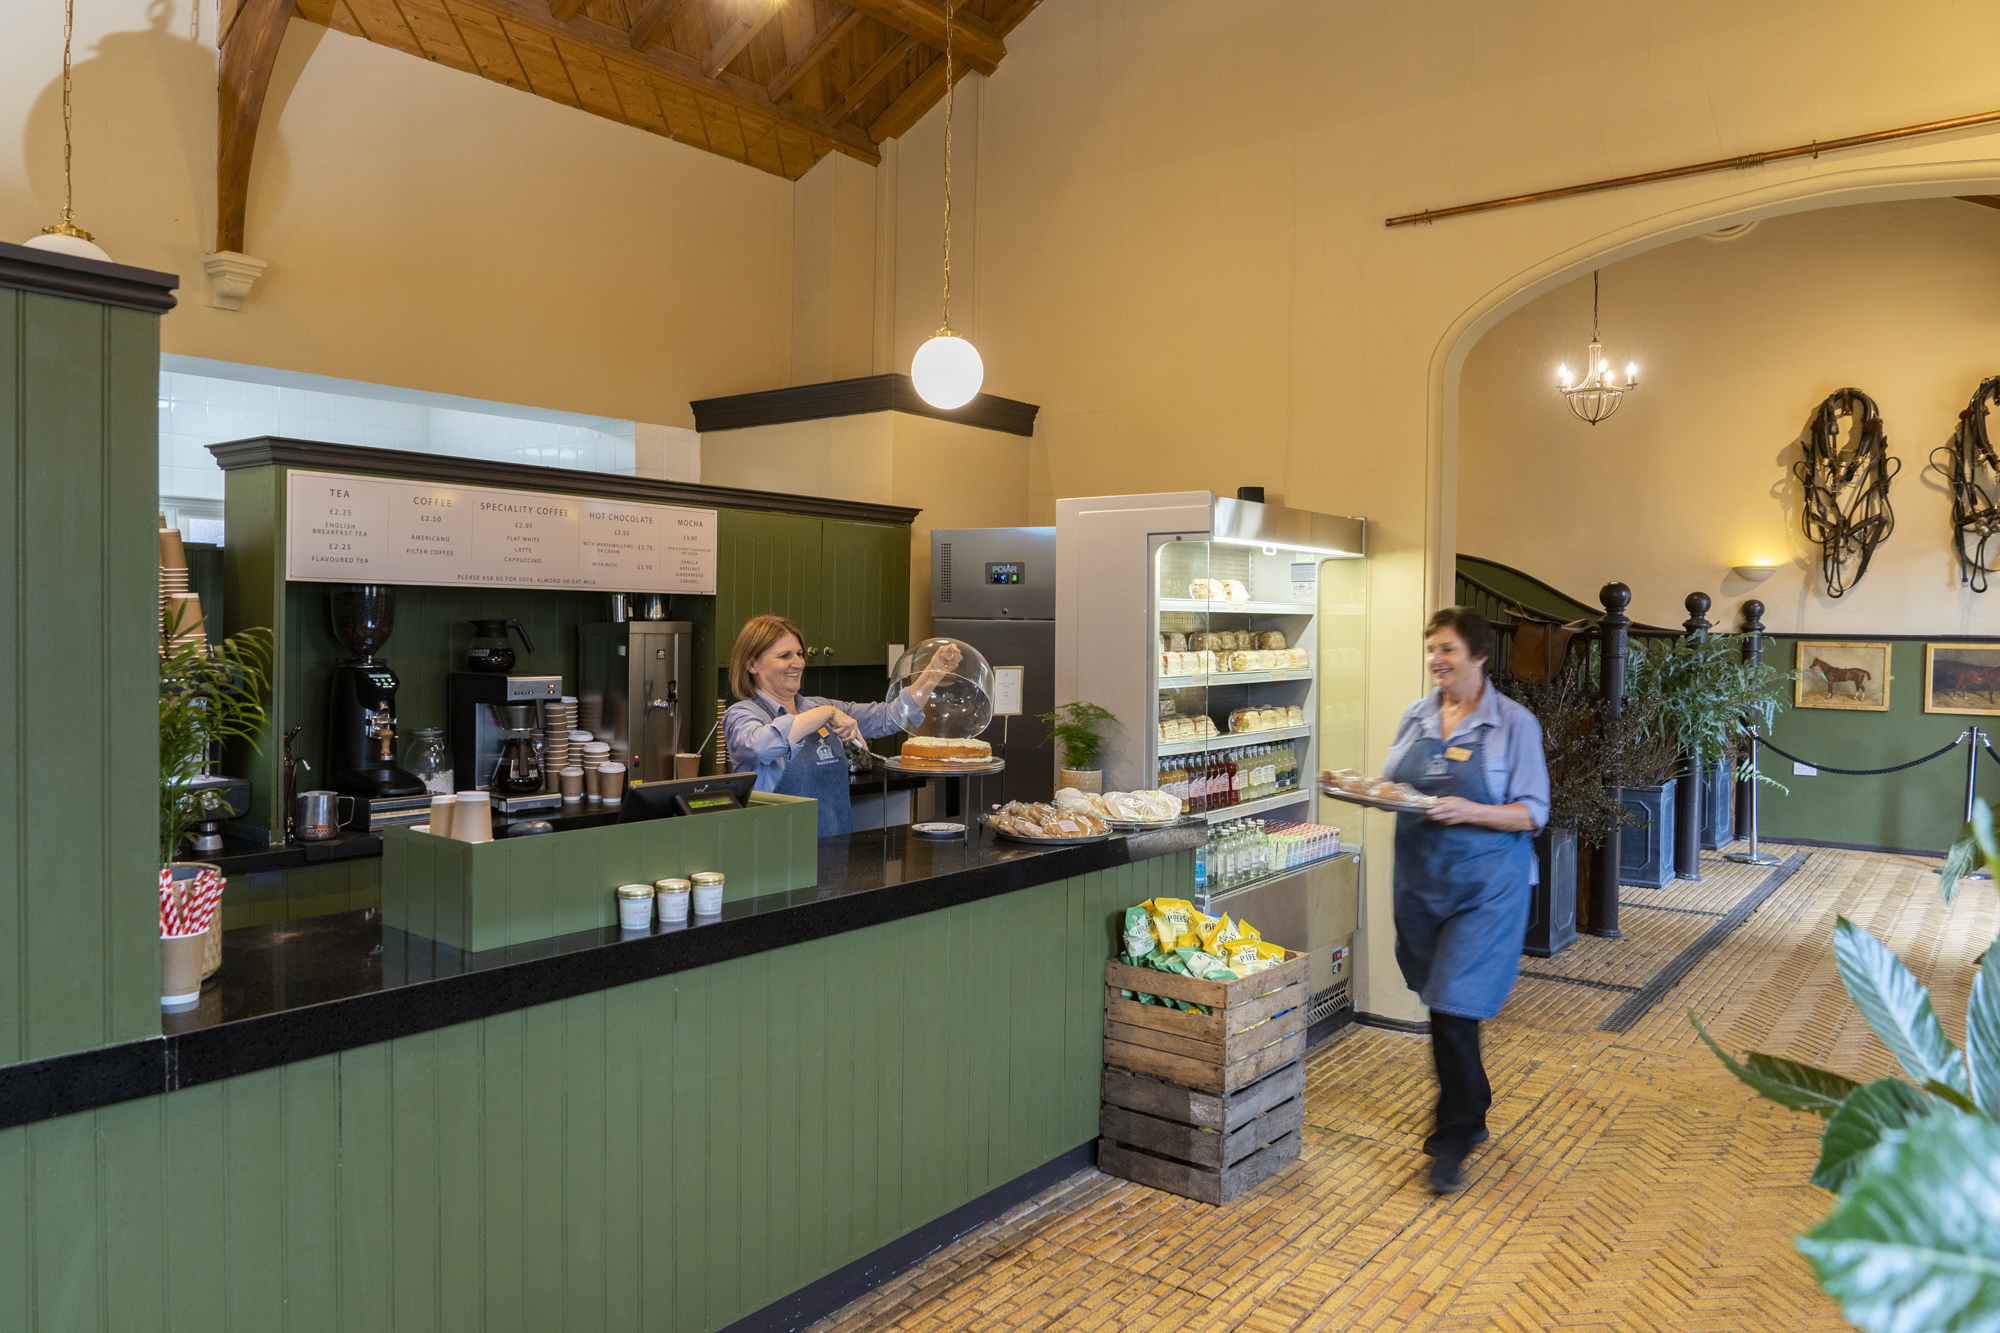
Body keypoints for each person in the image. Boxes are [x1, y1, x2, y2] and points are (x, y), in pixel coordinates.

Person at [1381, 606, 1549, 1194]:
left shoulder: (1513, 725)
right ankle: (1473, 1097)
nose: (1437, 660)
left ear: (1478, 656)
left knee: (1453, 1004)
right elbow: (1394, 784)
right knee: (1440, 1001)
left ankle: (1452, 1138)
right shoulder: (1418, 716)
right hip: (1422, 883)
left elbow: (1533, 811)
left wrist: (1470, 810)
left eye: (1448, 650)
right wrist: (1368, 792)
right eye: (1432, 649)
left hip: (1486, 887)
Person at [721, 615, 962, 837]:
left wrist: (934, 673)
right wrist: (827, 713)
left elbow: (889, 716)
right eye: (785, 656)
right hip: (778, 860)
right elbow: (757, 748)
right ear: (752, 664)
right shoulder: (742, 714)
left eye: (800, 654)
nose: (798, 663)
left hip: (836, 848)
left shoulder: (816, 706)